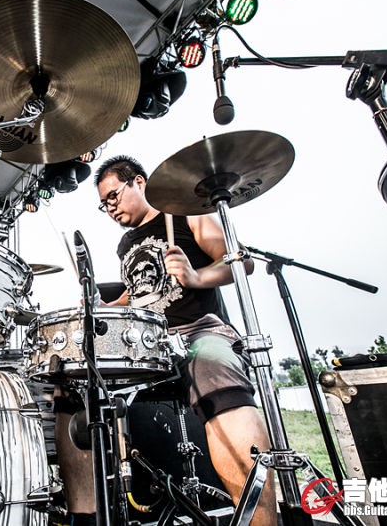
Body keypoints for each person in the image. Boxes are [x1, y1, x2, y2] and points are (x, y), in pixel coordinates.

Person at [54, 155, 276, 526]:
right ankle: (86, 520)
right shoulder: (126, 244)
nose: (110, 208)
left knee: (212, 365)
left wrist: (195, 276)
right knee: (73, 384)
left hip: (197, 332)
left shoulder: (184, 213)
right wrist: (104, 307)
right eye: (103, 204)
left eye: (113, 196)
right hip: (150, 346)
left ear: (139, 183)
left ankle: (259, 521)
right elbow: (137, 293)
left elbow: (240, 261)